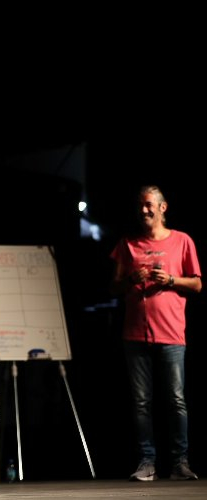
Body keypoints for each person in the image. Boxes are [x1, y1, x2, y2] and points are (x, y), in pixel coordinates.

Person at [109, 184, 201, 482]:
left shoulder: (182, 240)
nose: (143, 210)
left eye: (149, 204)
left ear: (163, 207)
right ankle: (147, 462)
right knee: (141, 402)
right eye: (140, 205)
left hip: (172, 333)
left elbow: (197, 284)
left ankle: (180, 463)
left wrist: (171, 279)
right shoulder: (128, 243)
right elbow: (113, 287)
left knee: (176, 399)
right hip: (135, 335)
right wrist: (130, 280)